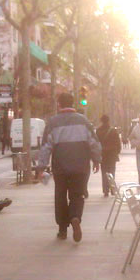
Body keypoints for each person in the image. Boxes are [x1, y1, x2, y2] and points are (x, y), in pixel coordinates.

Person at [37, 93, 101, 242]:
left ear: (59, 104)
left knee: (60, 196)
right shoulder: (84, 121)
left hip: (60, 167)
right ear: (72, 104)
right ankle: (75, 217)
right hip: (81, 167)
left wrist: (41, 167)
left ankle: (62, 229)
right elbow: (94, 143)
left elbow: (46, 147)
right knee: (77, 195)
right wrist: (96, 160)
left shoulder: (52, 123)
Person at [96, 115, 121, 197]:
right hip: (112, 154)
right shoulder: (113, 130)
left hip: (103, 154)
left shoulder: (98, 130)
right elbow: (118, 142)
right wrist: (117, 152)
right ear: (108, 120)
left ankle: (105, 190)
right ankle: (112, 189)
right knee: (112, 172)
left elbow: (97, 143)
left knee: (104, 172)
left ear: (101, 121)